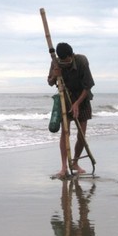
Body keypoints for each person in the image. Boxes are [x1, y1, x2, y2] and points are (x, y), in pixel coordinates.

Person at [47, 43, 94, 177]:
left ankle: (75, 162)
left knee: (81, 135)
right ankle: (63, 167)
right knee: (65, 133)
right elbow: (50, 82)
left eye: (67, 61)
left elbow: (88, 86)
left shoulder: (81, 61)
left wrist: (77, 104)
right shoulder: (55, 62)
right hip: (65, 100)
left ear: (72, 56)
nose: (64, 63)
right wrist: (55, 75)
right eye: (62, 61)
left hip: (82, 99)